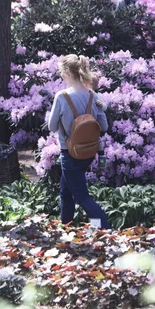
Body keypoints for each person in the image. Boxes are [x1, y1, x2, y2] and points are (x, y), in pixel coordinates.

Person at [48, 55, 110, 229]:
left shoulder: (62, 97)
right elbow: (103, 126)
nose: (61, 76)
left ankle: (104, 230)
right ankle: (65, 228)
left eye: (61, 72)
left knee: (82, 197)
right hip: (88, 152)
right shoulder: (93, 95)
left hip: (70, 153)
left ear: (68, 72)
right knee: (65, 192)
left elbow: (52, 127)